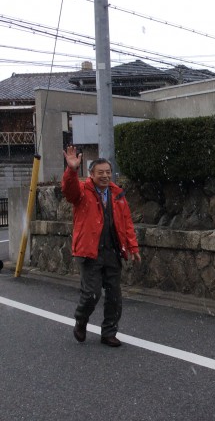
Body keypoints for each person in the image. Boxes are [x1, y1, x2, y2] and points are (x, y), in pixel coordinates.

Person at [62, 146, 141, 347]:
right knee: (92, 294)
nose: (105, 176)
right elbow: (68, 190)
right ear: (91, 174)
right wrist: (71, 170)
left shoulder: (117, 193)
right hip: (89, 251)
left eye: (108, 172)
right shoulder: (82, 191)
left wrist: (133, 247)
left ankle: (109, 332)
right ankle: (81, 319)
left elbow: (126, 222)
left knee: (114, 295)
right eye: (100, 173)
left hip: (112, 251)